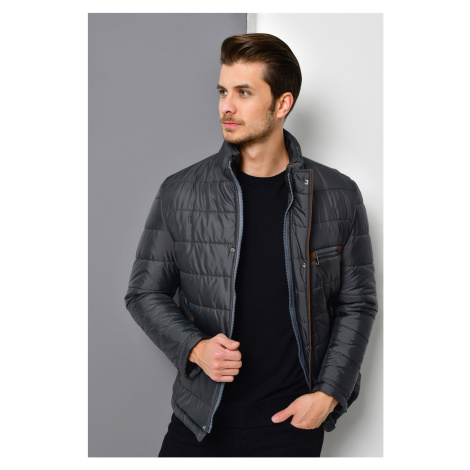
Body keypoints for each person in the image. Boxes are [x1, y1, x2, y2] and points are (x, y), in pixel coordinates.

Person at [124, 33, 378, 458]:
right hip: (200, 422)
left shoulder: (338, 195)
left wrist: (329, 394)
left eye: (243, 93)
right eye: (223, 91)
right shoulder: (181, 192)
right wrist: (195, 348)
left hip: (291, 427)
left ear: (282, 104)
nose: (226, 106)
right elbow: (143, 293)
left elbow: (357, 303)